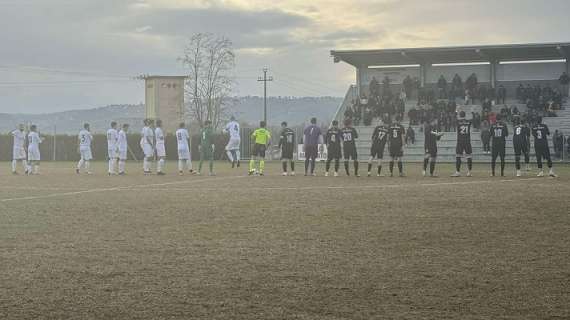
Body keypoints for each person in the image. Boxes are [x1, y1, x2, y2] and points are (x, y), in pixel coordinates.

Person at [452, 111, 473, 177]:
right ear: (465, 115)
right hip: (467, 141)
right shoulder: (468, 121)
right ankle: (469, 172)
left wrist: (456, 111)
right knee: (469, 156)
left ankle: (458, 172)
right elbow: (473, 119)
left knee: (458, 156)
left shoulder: (457, 121)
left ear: (460, 115)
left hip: (460, 141)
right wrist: (472, 112)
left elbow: (453, 118)